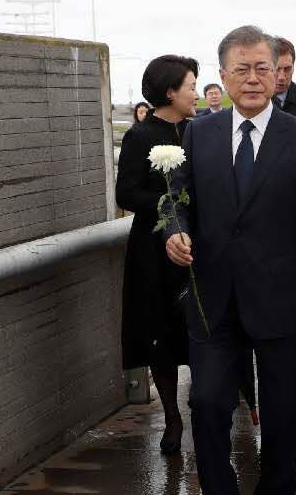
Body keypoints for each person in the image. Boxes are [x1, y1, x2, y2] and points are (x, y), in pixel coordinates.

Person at [164, 25, 296, 495]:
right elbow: (177, 199)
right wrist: (175, 232)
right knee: (205, 402)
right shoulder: (199, 133)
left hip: (282, 296)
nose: (252, 78)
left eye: (262, 68)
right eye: (241, 69)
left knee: (284, 411)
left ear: (277, 73)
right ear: (223, 75)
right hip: (212, 295)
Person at [116, 54, 198, 455]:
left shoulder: (200, 131)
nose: (196, 94)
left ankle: (206, 406)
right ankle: (172, 417)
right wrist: (172, 201)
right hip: (153, 249)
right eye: (191, 86)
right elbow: (126, 194)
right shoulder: (140, 135)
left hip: (197, 246)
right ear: (170, 92)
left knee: (201, 329)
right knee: (160, 334)